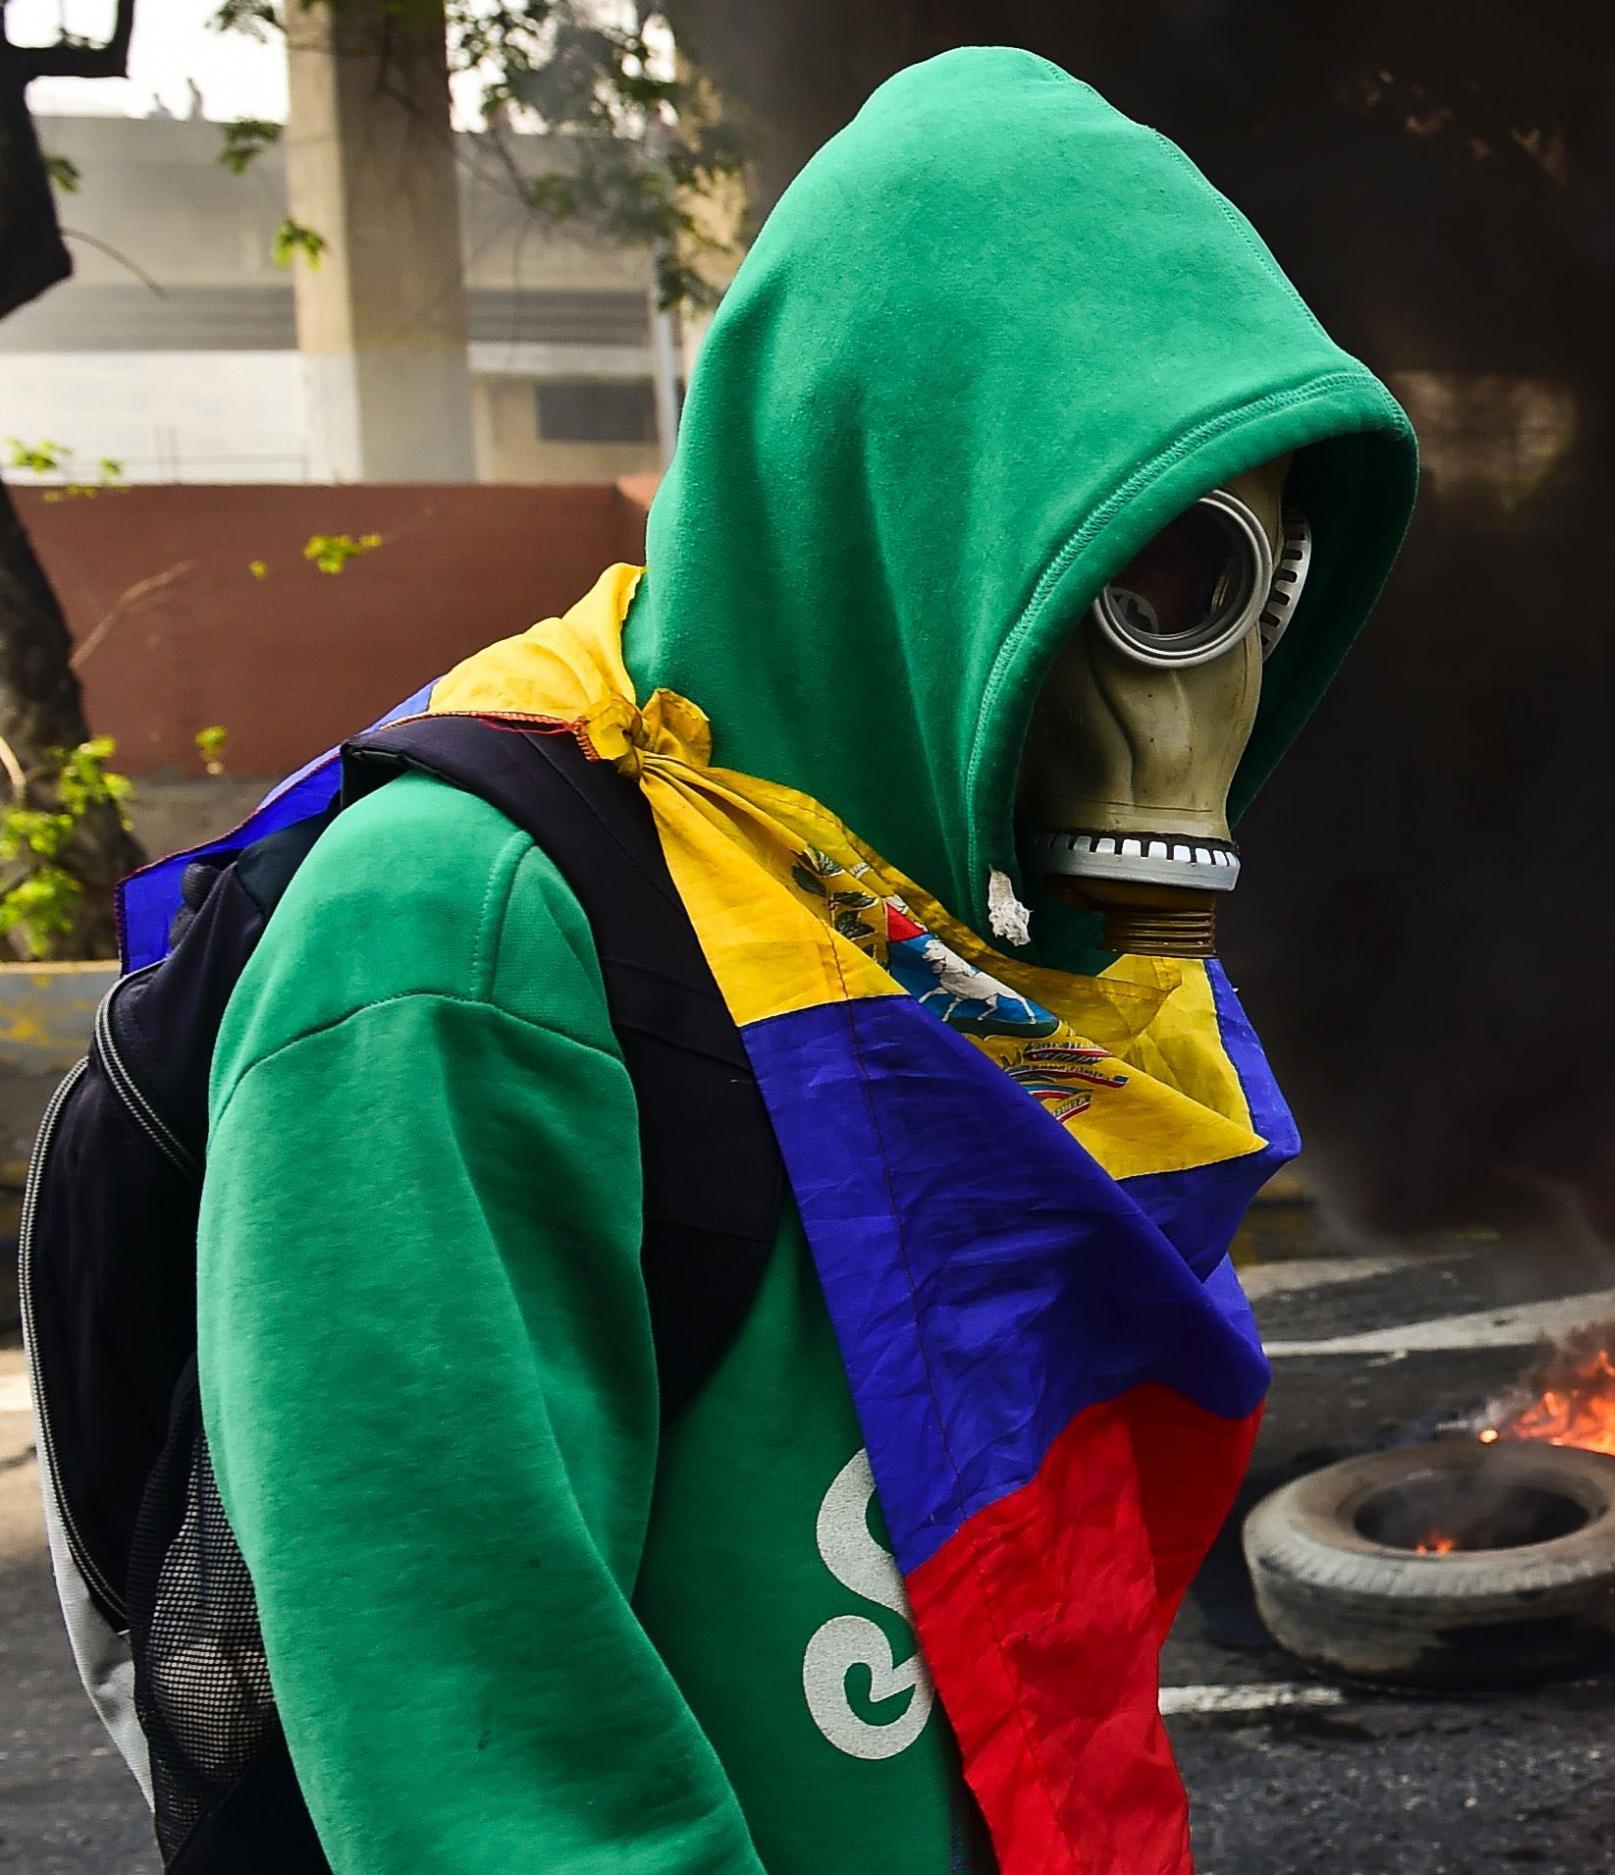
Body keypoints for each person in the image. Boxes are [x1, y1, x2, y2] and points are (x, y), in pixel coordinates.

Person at [192, 45, 1414, 1875]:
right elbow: (495, 1794)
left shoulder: (928, 925)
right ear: (903, 511)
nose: (1204, 699)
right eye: (1146, 578)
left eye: (1265, 583)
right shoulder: (462, 944)